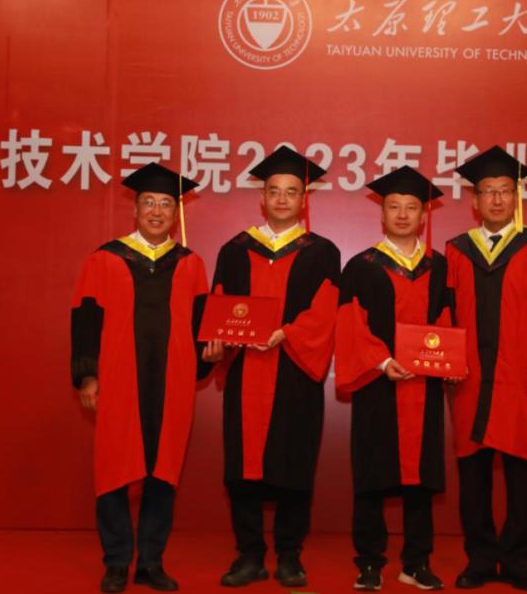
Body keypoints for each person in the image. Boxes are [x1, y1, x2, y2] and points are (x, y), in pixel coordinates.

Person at [70, 162, 212, 592]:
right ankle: (116, 562)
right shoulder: (104, 259)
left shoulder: (191, 264)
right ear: (135, 210)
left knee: (163, 472)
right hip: (119, 381)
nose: (156, 211)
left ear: (175, 213)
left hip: (173, 383)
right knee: (114, 468)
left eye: (165, 203)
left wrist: (211, 353)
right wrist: (88, 376)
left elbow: (202, 327)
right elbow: (85, 319)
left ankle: (150, 562)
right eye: (148, 202)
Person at [203, 145, 340, 589]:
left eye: (291, 191)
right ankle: (248, 555)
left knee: (293, 461)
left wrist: (286, 333)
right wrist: (217, 341)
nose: (282, 199)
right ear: (261, 198)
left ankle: (289, 554)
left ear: (304, 199)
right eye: (274, 191)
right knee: (242, 465)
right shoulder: (235, 249)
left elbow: (326, 310)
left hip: (294, 370)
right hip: (246, 370)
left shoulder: (323, 252)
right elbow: (220, 302)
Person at [445, 146, 527, 591]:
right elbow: (445, 314)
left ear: (516, 198)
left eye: (505, 191)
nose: (497, 199)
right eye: (488, 191)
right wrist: (446, 362)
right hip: (470, 379)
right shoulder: (457, 250)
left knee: (523, 474)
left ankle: (518, 562)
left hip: (523, 380)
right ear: (475, 201)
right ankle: (481, 560)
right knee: (473, 475)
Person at [335, 166, 454, 591]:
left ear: (424, 215)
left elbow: (448, 320)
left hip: (424, 385)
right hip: (377, 384)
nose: (402, 214)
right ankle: (369, 562)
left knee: (421, 480)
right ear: (382, 213)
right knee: (372, 476)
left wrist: (445, 362)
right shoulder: (361, 266)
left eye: (411, 207)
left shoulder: (440, 267)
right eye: (394, 207)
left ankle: (416, 562)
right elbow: (350, 324)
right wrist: (382, 362)